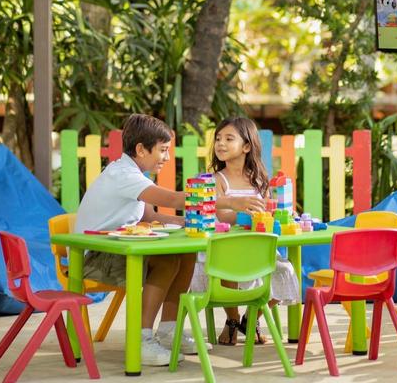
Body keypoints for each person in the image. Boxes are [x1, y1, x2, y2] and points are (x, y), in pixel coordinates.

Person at [74, 114, 265, 366]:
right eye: (163, 150)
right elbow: (175, 199)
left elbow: (147, 214)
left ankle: (168, 330)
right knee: (165, 262)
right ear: (141, 149)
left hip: (116, 249)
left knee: (185, 253)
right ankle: (141, 340)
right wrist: (230, 201)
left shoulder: (134, 174)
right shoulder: (123, 175)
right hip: (95, 257)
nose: (166, 157)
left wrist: (182, 222)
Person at [189, 116, 300, 345]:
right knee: (228, 271)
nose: (220, 143)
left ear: (247, 146)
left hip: (258, 248)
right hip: (226, 247)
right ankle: (232, 320)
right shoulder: (216, 180)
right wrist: (241, 215)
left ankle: (251, 319)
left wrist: (273, 216)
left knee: (285, 271)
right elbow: (218, 213)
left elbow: (268, 211)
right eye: (218, 138)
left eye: (229, 138)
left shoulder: (259, 180)